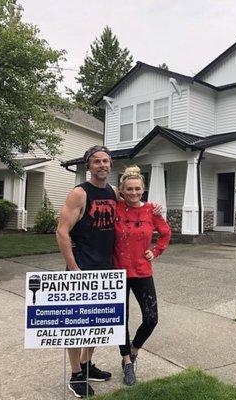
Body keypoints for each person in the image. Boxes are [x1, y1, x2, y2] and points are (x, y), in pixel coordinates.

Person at [56, 145, 116, 398]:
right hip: (81, 268)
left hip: (104, 269)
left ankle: (87, 364)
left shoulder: (112, 192)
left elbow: (135, 201)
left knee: (95, 324)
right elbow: (61, 231)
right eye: (97, 161)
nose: (102, 165)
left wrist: (153, 208)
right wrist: (73, 267)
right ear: (88, 166)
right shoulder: (79, 193)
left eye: (106, 161)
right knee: (75, 324)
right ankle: (75, 374)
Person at [113, 165, 171, 386]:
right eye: (129, 189)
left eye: (137, 188)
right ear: (122, 190)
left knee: (151, 318)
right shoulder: (115, 208)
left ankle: (134, 349)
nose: (133, 192)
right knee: (121, 320)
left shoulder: (150, 211)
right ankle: (126, 362)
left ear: (143, 189)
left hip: (142, 271)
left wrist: (155, 251)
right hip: (117, 272)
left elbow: (166, 233)